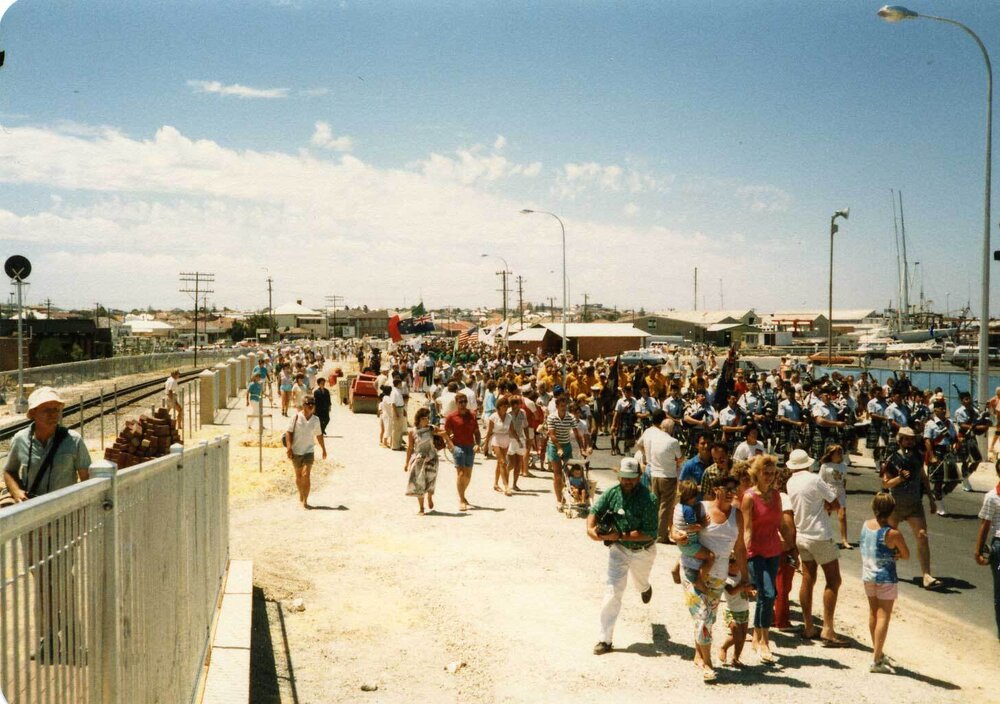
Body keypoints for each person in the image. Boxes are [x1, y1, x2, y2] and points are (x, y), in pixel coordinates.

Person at [671, 474, 747, 683]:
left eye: (735, 488)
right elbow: (677, 527)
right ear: (716, 489)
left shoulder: (737, 515)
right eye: (728, 488)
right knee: (703, 617)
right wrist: (674, 536)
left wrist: (745, 577)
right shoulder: (700, 508)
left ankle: (698, 653)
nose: (732, 492)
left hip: (719, 574)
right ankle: (708, 663)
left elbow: (740, 548)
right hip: (693, 570)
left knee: (708, 619)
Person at [588, 458, 658, 656]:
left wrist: (619, 535)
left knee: (640, 580)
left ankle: (645, 588)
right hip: (619, 549)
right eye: (624, 478)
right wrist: (590, 528)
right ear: (619, 475)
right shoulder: (612, 492)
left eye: (632, 478)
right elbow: (595, 510)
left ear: (639, 477)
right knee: (612, 591)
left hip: (643, 550)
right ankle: (605, 639)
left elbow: (650, 532)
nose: (627, 482)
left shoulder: (649, 499)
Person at [786, 448, 846, 646]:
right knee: (833, 580)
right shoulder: (814, 479)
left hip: (801, 534)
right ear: (808, 463)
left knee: (808, 578)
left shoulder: (790, 482)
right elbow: (835, 502)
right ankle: (828, 629)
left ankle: (809, 625)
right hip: (819, 535)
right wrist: (826, 507)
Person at [3, 387, 92, 502]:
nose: (53, 414)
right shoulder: (20, 439)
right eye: (46, 410)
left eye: (56, 409)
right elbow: (9, 471)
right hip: (32, 511)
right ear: (33, 412)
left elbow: (88, 479)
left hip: (65, 512)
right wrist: (16, 492)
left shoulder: (74, 440)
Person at [740, 454, 788, 663]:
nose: (769, 477)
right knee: (767, 593)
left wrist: (793, 547)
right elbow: (747, 528)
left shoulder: (776, 496)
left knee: (766, 595)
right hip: (756, 551)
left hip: (773, 550)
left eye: (772, 473)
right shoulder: (749, 497)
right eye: (765, 473)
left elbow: (780, 524)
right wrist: (742, 554)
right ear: (757, 474)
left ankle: (758, 637)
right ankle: (764, 641)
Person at [880, 427, 942, 590]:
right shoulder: (892, 459)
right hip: (896, 506)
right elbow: (885, 483)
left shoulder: (918, 457)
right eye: (906, 439)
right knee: (889, 539)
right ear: (900, 440)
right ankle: (886, 569)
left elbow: (923, 478)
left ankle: (926, 575)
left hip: (914, 505)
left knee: (922, 536)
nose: (909, 442)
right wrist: (899, 478)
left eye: (911, 439)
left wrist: (931, 498)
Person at [862, 492, 909, 673]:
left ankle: (877, 652)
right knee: (883, 616)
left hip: (868, 575)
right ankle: (876, 660)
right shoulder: (892, 533)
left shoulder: (866, 526)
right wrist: (896, 553)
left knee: (873, 613)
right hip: (886, 577)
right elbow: (906, 554)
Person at [635, 410, 683, 544]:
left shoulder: (649, 433)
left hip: (652, 468)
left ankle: (649, 529)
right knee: (665, 506)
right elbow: (679, 459)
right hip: (666, 473)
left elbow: (639, 444)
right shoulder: (671, 440)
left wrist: (645, 457)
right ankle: (661, 535)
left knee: (652, 502)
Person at [404, 407, 450, 515]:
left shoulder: (431, 428)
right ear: (419, 419)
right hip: (419, 459)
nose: (428, 420)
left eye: (429, 418)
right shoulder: (412, 432)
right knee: (419, 483)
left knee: (430, 481)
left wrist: (439, 433)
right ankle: (421, 508)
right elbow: (410, 448)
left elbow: (445, 432)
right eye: (425, 418)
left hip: (432, 458)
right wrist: (406, 463)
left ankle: (429, 496)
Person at [546, 396, 589, 511]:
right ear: (557, 406)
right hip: (554, 446)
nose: (564, 408)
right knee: (557, 474)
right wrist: (559, 448)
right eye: (562, 406)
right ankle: (559, 500)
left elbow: (576, 434)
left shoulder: (570, 417)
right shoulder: (551, 417)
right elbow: (552, 434)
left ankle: (569, 494)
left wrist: (581, 448)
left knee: (568, 473)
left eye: (565, 406)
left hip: (566, 445)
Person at [973, 459, 1000, 641]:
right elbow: (985, 525)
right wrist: (978, 551)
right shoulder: (992, 497)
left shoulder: (992, 496)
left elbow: (984, 525)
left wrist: (978, 552)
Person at [673, 479, 715, 592]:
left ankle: (675, 569)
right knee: (710, 557)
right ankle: (699, 581)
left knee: (686, 554)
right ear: (693, 496)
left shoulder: (678, 506)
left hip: (683, 544)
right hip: (690, 544)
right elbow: (691, 527)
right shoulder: (688, 510)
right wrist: (702, 524)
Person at [285, 396, 327, 509]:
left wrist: (323, 449)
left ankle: (305, 500)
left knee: (306, 474)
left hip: (309, 450)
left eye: (313, 404)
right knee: (298, 476)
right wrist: (289, 447)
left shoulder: (316, 420)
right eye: (309, 404)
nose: (311, 406)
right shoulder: (296, 417)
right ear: (304, 405)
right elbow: (288, 432)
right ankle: (300, 494)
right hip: (296, 451)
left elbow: (319, 435)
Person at [444, 393, 481, 512]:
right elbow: (446, 433)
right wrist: (451, 446)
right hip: (458, 447)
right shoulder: (451, 417)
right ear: (456, 403)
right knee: (461, 473)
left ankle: (462, 495)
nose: (463, 404)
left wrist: (477, 444)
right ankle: (461, 499)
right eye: (461, 402)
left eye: (465, 401)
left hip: (470, 446)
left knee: (468, 475)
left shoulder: (472, 415)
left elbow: (477, 432)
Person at [718, 557, 753, 668]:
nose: (741, 567)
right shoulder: (726, 579)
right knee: (737, 636)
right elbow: (731, 592)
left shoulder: (741, 575)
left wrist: (751, 590)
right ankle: (724, 647)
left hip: (744, 610)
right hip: (732, 611)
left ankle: (736, 658)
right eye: (738, 564)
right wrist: (742, 586)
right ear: (730, 566)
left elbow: (750, 589)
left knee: (742, 637)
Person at [819, 444, 851, 549]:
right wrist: (824, 496)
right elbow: (821, 481)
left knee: (842, 515)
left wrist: (843, 492)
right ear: (831, 455)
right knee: (826, 515)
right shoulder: (825, 466)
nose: (840, 454)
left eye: (840, 452)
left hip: (840, 491)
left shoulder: (844, 466)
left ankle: (844, 540)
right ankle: (823, 538)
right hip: (829, 491)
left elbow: (844, 480)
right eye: (837, 453)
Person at [484, 396, 514, 496]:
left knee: (499, 463)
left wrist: (519, 440)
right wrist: (485, 445)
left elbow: (512, 430)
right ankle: (506, 486)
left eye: (506, 406)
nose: (505, 408)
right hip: (496, 438)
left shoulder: (509, 417)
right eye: (503, 406)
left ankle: (496, 484)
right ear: (499, 407)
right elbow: (489, 432)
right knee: (502, 462)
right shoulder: (493, 417)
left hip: (506, 439)